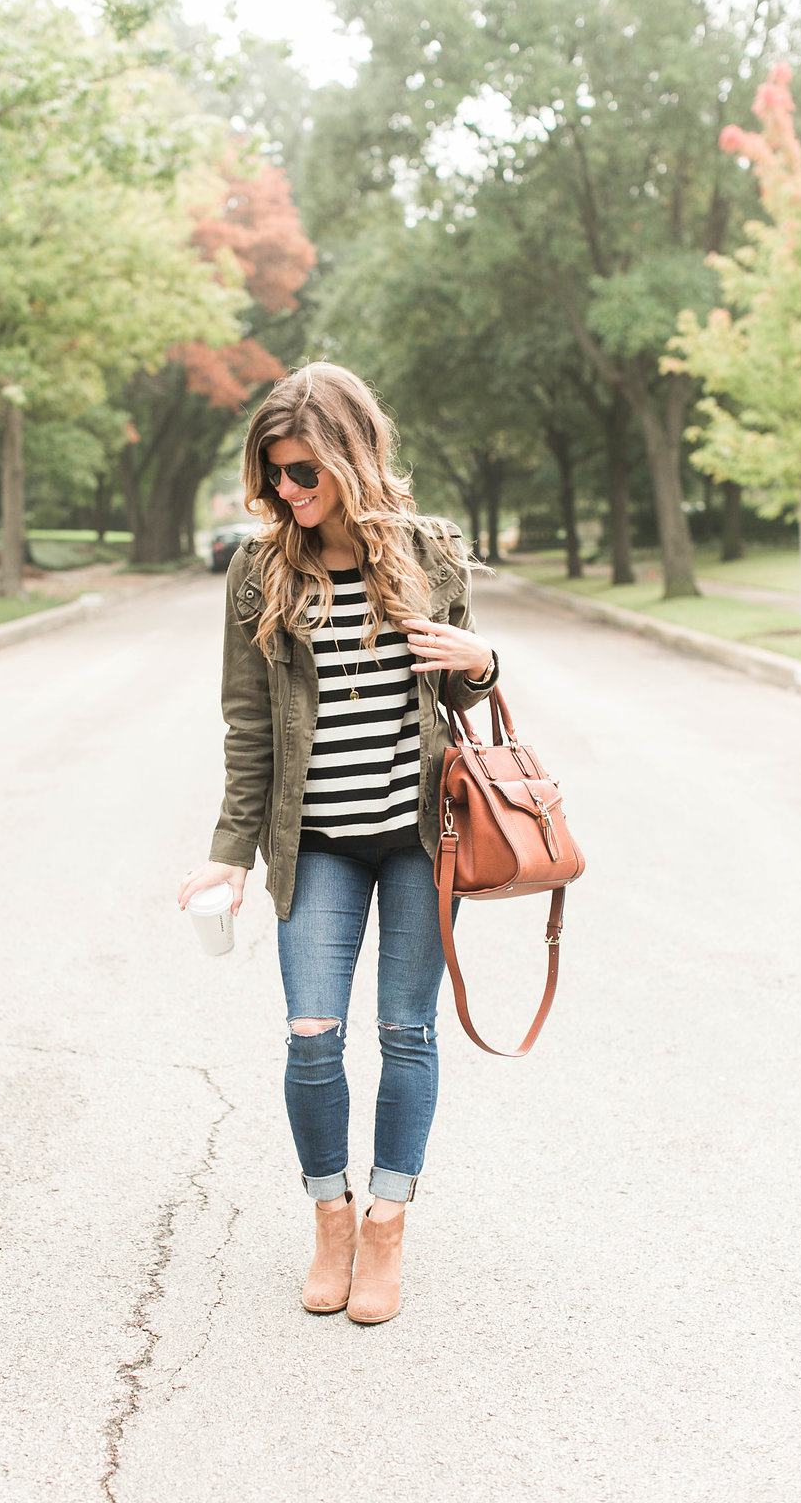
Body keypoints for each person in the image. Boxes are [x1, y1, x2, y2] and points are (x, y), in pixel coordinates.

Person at [177, 363, 498, 1324]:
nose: (288, 491)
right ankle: (332, 1216)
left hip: (415, 839)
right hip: (313, 843)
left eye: (306, 472)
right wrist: (230, 853)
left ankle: (389, 1222)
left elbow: (466, 687)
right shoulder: (260, 569)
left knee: (407, 1033)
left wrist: (482, 661)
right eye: (275, 473)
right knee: (312, 1037)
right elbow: (247, 724)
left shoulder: (429, 553)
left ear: (354, 459)